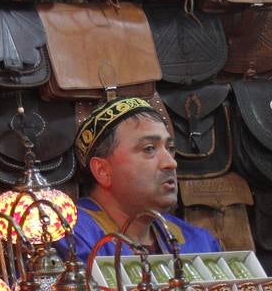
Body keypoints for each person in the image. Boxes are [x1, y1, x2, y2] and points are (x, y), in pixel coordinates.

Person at [58, 97, 222, 261]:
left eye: (170, 148)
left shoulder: (200, 243)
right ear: (103, 170)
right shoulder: (70, 238)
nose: (171, 163)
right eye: (149, 149)